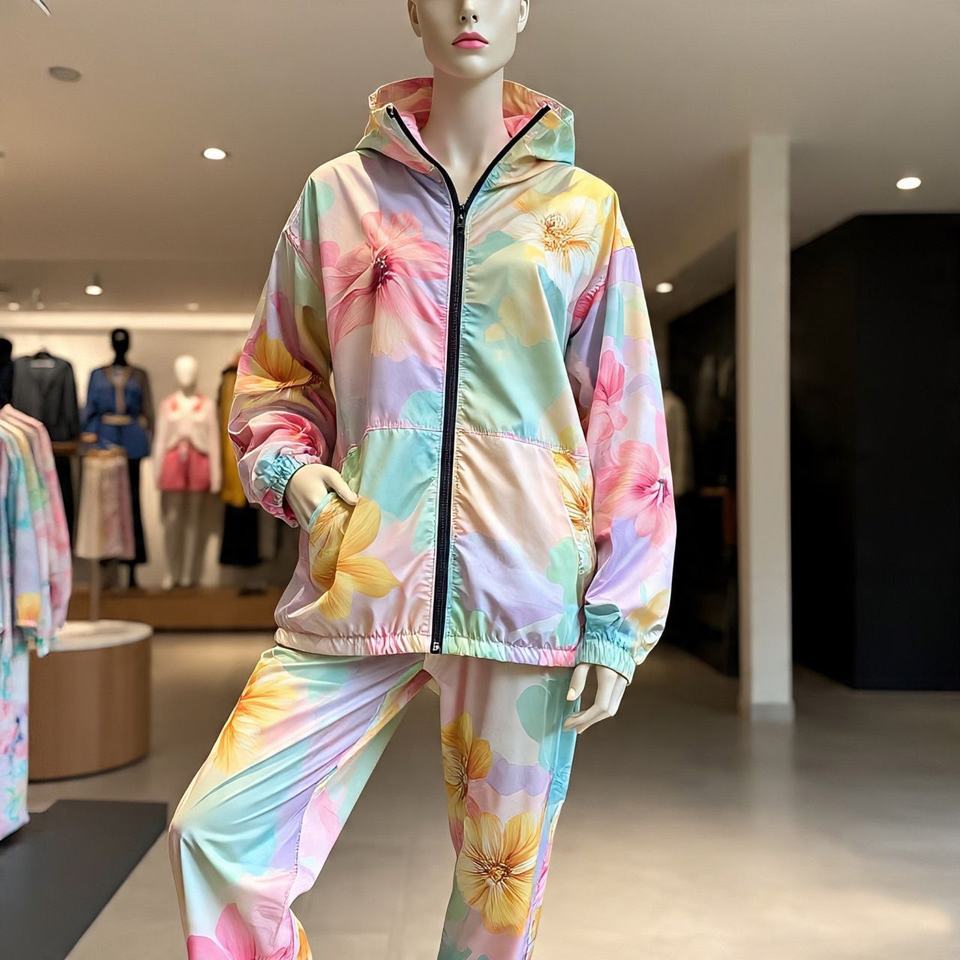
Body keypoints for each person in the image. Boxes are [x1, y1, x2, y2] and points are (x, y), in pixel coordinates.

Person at [168, 3, 677, 958]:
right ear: (412, 8)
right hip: (360, 570)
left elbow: (626, 424)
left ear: (524, 8)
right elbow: (276, 377)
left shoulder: (583, 210)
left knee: (497, 904)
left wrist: (619, 616)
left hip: (525, 591)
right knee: (216, 831)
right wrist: (291, 470)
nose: (469, 6)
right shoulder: (337, 195)